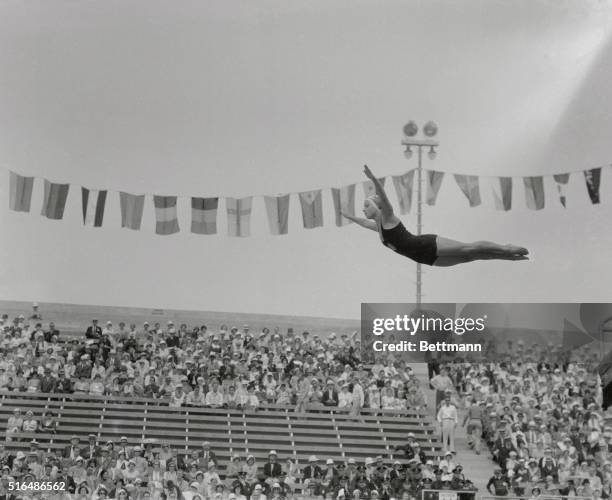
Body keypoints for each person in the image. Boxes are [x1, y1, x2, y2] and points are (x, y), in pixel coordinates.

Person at [342, 165, 529, 266]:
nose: (363, 210)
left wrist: (374, 180)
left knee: (468, 249)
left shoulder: (388, 218)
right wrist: (347, 216)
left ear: (378, 207)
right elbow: (362, 223)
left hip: (427, 244)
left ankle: (506, 248)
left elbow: (384, 196)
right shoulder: (379, 228)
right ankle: (508, 258)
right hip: (425, 258)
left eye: (366, 205)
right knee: (471, 257)